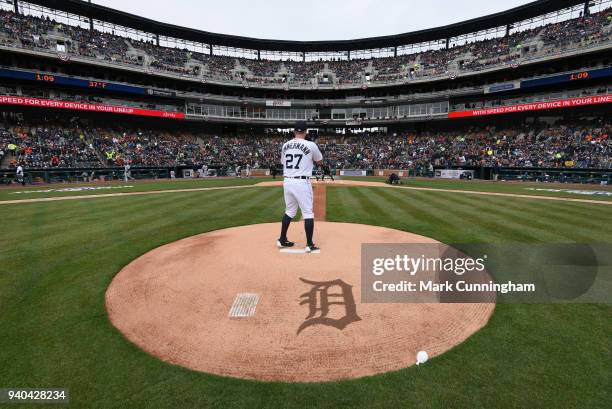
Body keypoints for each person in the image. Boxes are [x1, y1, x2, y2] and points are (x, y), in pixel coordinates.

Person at [277, 121, 323, 253]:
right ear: (306, 131)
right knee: (308, 213)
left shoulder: (285, 145)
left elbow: (283, 162)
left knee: (289, 211)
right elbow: (319, 161)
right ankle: (309, 244)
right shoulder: (310, 144)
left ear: (294, 132)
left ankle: (282, 239)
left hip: (287, 181)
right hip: (302, 182)